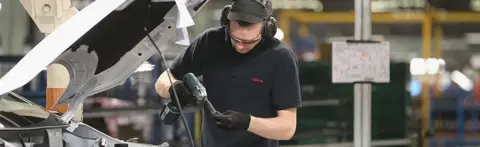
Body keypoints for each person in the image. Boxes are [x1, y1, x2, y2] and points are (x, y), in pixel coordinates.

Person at [155, 0, 302, 146]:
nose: (240, 46)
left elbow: (287, 129)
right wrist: (173, 87)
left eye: (248, 41)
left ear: (267, 28)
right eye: (235, 38)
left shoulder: (280, 57)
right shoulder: (210, 42)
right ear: (226, 20)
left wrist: (248, 122)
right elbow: (163, 80)